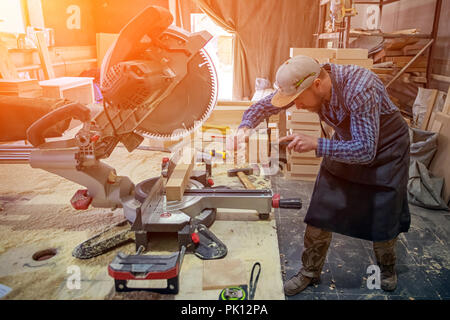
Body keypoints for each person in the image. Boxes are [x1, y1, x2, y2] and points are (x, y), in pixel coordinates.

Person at [234, 55, 411, 295]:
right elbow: (266, 105)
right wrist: (245, 127)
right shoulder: (308, 82)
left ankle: (387, 269)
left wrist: (317, 144)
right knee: (321, 210)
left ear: (317, 84)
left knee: (383, 213)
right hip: (350, 143)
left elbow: (366, 151)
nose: (296, 105)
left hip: (385, 151)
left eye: (298, 99)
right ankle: (309, 272)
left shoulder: (360, 88)